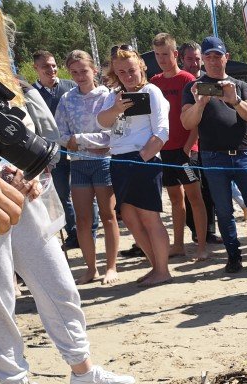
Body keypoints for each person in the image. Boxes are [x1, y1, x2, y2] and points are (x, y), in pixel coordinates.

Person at [0, 0, 135, 384]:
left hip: (18, 186)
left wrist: (24, 169)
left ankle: (81, 368)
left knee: (56, 277)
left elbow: (10, 127)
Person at [181, 36, 247, 273]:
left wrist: (234, 100)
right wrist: (200, 103)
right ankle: (233, 256)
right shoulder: (194, 88)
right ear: (202, 60)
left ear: (226, 58)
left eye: (217, 56)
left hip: (242, 154)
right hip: (213, 157)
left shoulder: (240, 86)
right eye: (207, 56)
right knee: (224, 210)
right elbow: (187, 123)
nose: (212, 61)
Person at [97, 46, 172, 287]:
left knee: (150, 218)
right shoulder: (114, 95)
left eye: (131, 70)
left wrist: (143, 157)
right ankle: (155, 267)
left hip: (143, 160)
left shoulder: (152, 91)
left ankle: (163, 270)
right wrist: (117, 108)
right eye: (122, 72)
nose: (128, 76)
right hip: (119, 161)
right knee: (129, 217)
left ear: (141, 67)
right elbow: (102, 122)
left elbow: (162, 131)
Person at [54, 50, 119, 285]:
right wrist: (75, 141)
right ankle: (90, 268)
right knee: (82, 219)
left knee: (108, 215)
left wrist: (79, 139)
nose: (80, 76)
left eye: (84, 71)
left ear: (94, 70)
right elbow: (60, 134)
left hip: (103, 163)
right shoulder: (66, 99)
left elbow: (111, 136)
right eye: (74, 72)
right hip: (79, 164)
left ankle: (111, 266)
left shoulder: (107, 96)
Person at [150, 33, 208, 261]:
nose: (162, 59)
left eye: (165, 54)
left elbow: (197, 116)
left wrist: (188, 144)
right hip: (164, 149)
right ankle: (178, 245)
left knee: (195, 197)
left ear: (175, 54)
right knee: (175, 198)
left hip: (185, 150)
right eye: (157, 55)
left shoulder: (187, 80)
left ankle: (202, 246)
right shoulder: (154, 82)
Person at [31, 49, 81, 249]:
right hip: (51, 153)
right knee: (61, 194)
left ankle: (87, 229)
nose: (51, 69)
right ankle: (73, 232)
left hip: (76, 149)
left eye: (53, 65)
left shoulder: (70, 87)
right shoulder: (30, 93)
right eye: (45, 66)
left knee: (81, 193)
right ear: (36, 68)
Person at [178, 41, 223, 246]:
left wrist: (189, 147)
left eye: (197, 59)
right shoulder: (185, 84)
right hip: (181, 150)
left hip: (199, 149)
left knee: (207, 191)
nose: (195, 63)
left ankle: (207, 232)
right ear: (181, 58)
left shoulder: (209, 82)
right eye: (190, 59)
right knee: (188, 194)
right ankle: (197, 231)